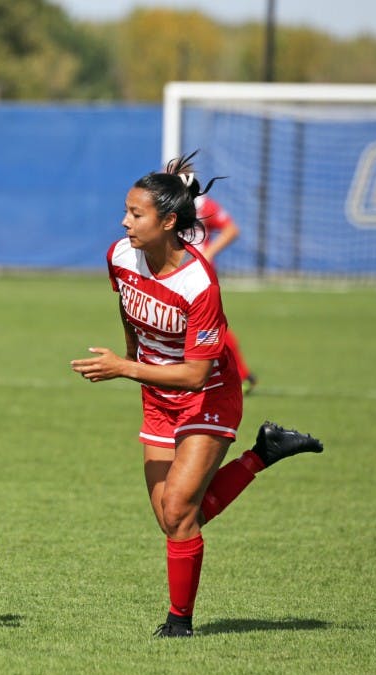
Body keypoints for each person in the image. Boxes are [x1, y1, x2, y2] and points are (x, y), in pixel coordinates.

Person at [70, 153, 322, 638]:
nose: (125, 221)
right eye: (125, 210)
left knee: (181, 510)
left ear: (168, 222)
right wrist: (133, 360)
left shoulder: (199, 283)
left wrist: (124, 368)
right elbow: (128, 309)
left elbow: (194, 374)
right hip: (158, 394)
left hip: (207, 394)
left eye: (136, 214)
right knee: (173, 517)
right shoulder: (119, 255)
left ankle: (179, 624)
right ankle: (262, 454)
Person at [190, 192, 257, 394]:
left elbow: (231, 229)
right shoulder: (164, 204)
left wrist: (208, 253)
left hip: (197, 274)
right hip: (176, 273)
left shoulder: (201, 205)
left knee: (209, 325)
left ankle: (240, 375)